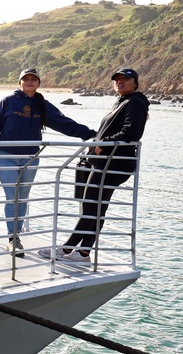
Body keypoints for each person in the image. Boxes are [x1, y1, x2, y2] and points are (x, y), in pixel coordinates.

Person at [40, 68, 149, 263]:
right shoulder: (122, 102)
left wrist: (102, 144)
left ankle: (65, 249)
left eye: (125, 79)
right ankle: (83, 253)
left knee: (91, 207)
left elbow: (132, 132)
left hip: (112, 164)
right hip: (107, 162)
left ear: (135, 82)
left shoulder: (135, 102)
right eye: (117, 79)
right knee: (98, 209)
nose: (120, 81)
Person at [0, 68, 95, 256]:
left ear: (38, 83)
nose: (29, 82)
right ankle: (13, 238)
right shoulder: (8, 102)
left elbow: (63, 123)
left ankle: (16, 233)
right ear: (19, 83)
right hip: (6, 156)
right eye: (25, 79)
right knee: (13, 196)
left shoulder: (42, 104)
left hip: (30, 158)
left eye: (33, 79)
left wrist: (91, 134)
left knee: (23, 196)